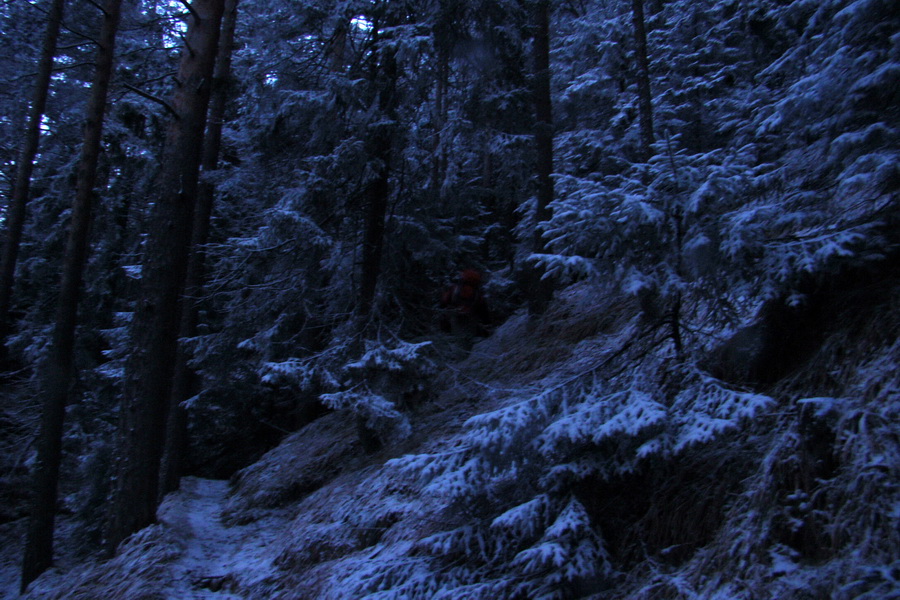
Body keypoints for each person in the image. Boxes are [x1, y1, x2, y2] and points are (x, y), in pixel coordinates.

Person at [439, 269, 491, 342]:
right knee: (469, 338)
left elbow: (443, 303)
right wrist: (487, 324)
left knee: (457, 339)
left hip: (454, 317)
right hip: (470, 318)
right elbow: (483, 310)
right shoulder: (477, 294)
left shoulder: (454, 289)